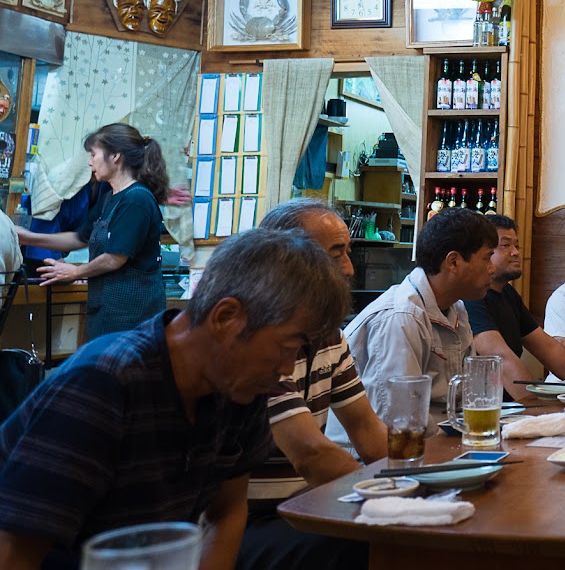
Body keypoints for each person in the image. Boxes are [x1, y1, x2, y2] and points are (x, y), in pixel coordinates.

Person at [0, 228, 351, 570]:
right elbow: (14, 552)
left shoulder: (240, 389)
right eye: (287, 347)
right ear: (226, 318)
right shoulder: (104, 383)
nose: (287, 367)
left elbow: (225, 513)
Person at [238, 199, 388, 570]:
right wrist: (396, 498)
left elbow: (369, 434)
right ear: (287, 259)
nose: (350, 268)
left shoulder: (329, 334)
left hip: (309, 504)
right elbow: (310, 454)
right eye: (337, 254)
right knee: (379, 545)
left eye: (348, 252)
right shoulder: (260, 337)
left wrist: (428, 478)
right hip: (251, 520)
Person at [330, 207, 496, 438]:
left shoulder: (455, 307)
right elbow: (399, 420)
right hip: (376, 460)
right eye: (487, 258)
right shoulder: (401, 317)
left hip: (438, 441)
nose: (493, 269)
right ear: (454, 262)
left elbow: (468, 396)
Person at [16, 123, 172, 339]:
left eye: (94, 154)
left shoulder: (137, 199)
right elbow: (78, 238)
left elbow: (115, 259)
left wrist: (75, 272)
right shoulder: (110, 196)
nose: (90, 162)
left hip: (132, 316)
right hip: (107, 310)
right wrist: (27, 237)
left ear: (116, 156)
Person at [463, 214, 565, 401]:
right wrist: (538, 413)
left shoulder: (508, 294)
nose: (515, 252)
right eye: (506, 245)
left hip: (513, 407)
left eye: (517, 245)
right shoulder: (471, 298)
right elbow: (501, 360)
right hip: (486, 410)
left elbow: (547, 347)